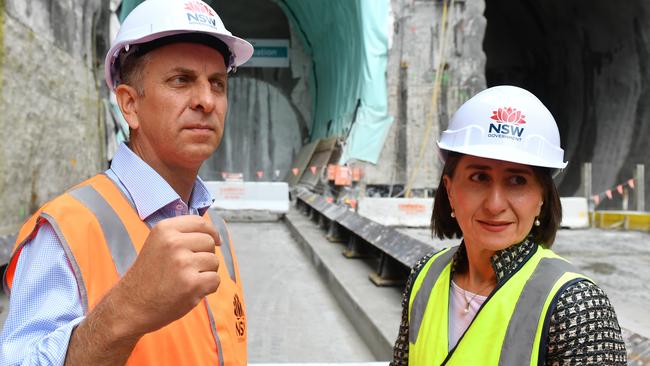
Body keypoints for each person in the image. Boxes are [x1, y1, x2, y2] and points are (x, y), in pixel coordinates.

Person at [0, 0, 254, 364]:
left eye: (217, 83)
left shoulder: (216, 229)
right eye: (181, 80)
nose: (206, 100)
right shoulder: (66, 232)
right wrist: (127, 310)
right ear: (129, 105)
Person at [391, 85, 627, 365]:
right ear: (450, 189)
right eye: (479, 177)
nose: (495, 204)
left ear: (541, 196)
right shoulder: (424, 277)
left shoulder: (576, 305)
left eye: (517, 181)